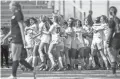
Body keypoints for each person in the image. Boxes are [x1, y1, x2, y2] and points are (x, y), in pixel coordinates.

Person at [1, 2, 33, 79]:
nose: (9, 8)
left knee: (15, 58)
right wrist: (5, 38)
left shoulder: (18, 14)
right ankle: (32, 69)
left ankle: (13, 75)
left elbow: (21, 27)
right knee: (17, 58)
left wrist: (23, 39)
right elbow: (12, 29)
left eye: (10, 6)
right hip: (14, 38)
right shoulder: (14, 15)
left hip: (18, 38)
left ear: (14, 6)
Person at [107, 6, 120, 74]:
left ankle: (113, 73)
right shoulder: (118, 19)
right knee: (115, 54)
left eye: (109, 11)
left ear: (111, 12)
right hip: (119, 38)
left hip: (115, 38)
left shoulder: (112, 20)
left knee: (112, 54)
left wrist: (107, 40)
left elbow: (110, 31)